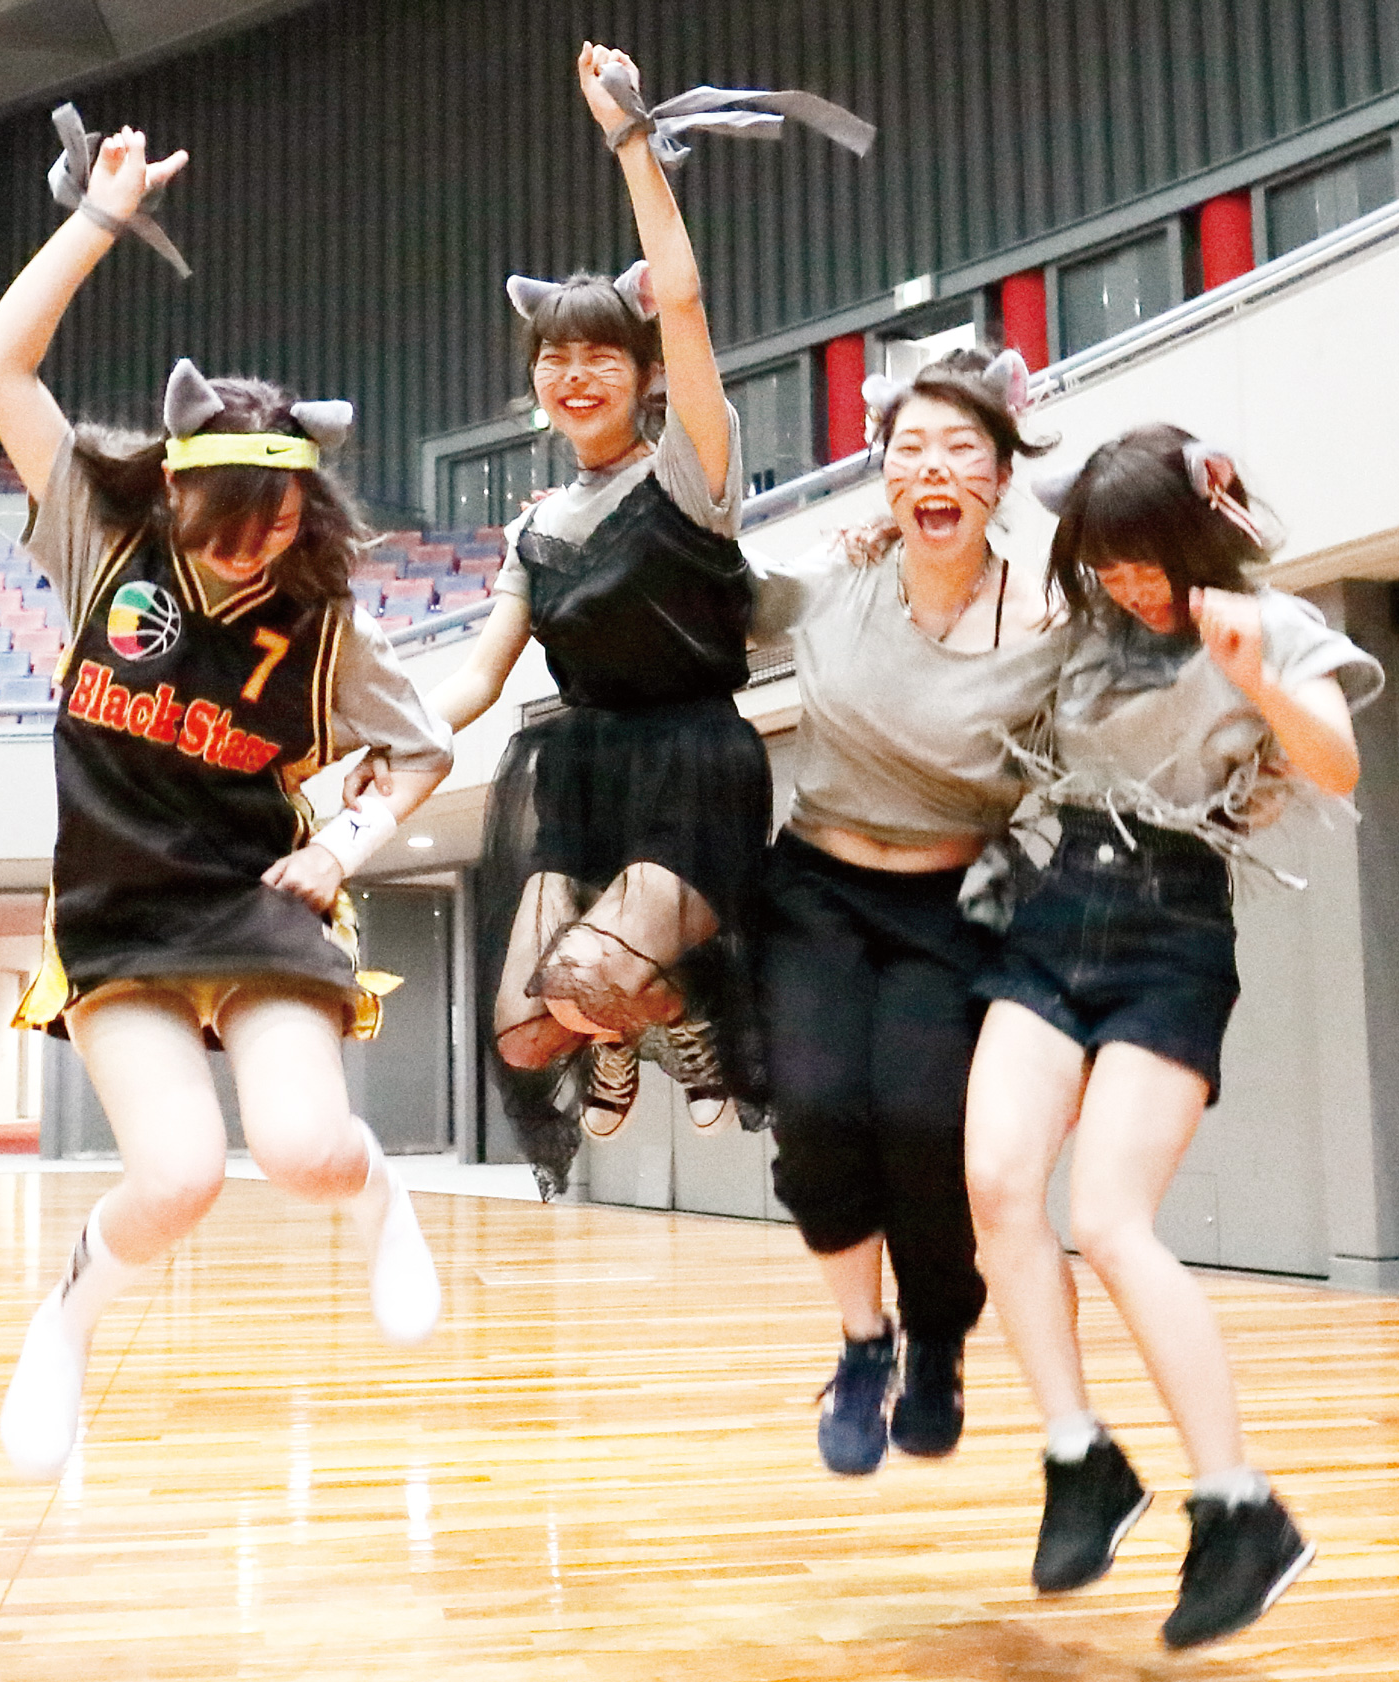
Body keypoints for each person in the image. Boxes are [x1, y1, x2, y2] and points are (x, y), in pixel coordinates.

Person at [0, 120, 455, 1480]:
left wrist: (345, 843)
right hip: (117, 912)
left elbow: (423, 753)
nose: (249, 551)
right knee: (176, 1175)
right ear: (173, 491)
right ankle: (63, 1326)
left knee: (302, 1149)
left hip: (252, 900)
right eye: (223, 525)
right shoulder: (99, 536)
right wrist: (99, 220)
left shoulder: (328, 629)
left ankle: (381, 1197)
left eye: (276, 527)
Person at [353, 45, 870, 1196]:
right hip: (580, 774)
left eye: (600, 355)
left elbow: (680, 296)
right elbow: (478, 678)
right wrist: (387, 737)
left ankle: (689, 1011)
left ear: (644, 375)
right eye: (555, 356)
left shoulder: (689, 470)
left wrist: (631, 140)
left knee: (591, 980)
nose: (575, 373)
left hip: (693, 764)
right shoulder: (535, 529)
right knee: (527, 1030)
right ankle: (644, 1026)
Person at [964, 425, 1383, 1647]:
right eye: (1107, 561)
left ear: (1197, 536)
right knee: (994, 1182)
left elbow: (1337, 763)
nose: (1130, 582)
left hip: (1173, 926)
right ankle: (1081, 1459)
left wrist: (1258, 679)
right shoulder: (1085, 631)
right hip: (1057, 908)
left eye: (1147, 558)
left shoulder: (1269, 622)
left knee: (1108, 1219)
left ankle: (1242, 1508)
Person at [749, 348, 1067, 1475]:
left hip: (951, 902)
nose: (932, 468)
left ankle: (938, 1337)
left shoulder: (1047, 615)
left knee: (928, 1128)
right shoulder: (836, 578)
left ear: (1001, 475)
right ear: (881, 471)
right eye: (908, 448)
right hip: (817, 890)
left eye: (961, 448)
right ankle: (861, 1342)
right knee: (818, 1112)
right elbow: (715, 607)